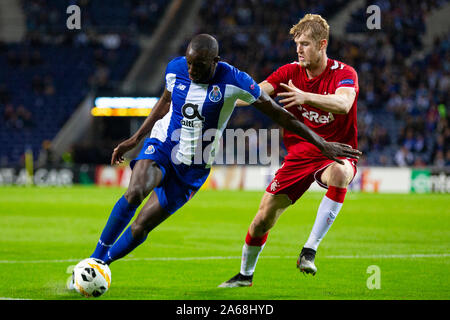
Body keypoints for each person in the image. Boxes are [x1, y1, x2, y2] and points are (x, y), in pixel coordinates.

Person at [70, 33, 360, 288]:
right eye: (189, 63)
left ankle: (101, 265)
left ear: (215, 61)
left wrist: (321, 143)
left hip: (193, 169)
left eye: (199, 65)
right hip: (164, 144)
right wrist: (136, 138)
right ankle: (94, 260)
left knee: (141, 226)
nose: (192, 70)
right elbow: (164, 102)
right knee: (135, 192)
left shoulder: (235, 80)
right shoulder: (175, 69)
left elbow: (280, 114)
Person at [220, 14, 360, 287]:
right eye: (297, 44)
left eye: (305, 44)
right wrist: (219, 100)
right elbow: (256, 94)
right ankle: (245, 276)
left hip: (334, 151)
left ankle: (309, 250)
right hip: (299, 155)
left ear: (322, 44)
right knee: (263, 219)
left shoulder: (344, 73)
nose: (299, 49)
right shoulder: (288, 72)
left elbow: (343, 105)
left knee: (341, 174)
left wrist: (305, 96)